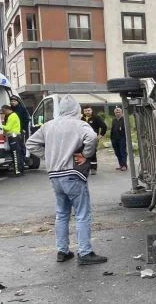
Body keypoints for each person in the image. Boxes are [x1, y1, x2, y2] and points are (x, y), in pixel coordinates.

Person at [26, 95, 108, 265]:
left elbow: (30, 143)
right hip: (72, 174)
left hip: (54, 176)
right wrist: (85, 156)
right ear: (76, 109)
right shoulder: (80, 124)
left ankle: (62, 251)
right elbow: (92, 138)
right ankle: (85, 253)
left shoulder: (48, 126)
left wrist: (47, 157)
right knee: (82, 214)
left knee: (62, 214)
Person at [81, 106, 107, 174]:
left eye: (88, 110)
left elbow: (104, 126)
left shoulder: (96, 118)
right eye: (86, 111)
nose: (87, 112)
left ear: (91, 111)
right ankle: (85, 167)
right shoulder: (81, 119)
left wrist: (100, 135)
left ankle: (93, 168)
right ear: (83, 112)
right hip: (83, 138)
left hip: (93, 139)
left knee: (92, 153)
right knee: (83, 153)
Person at [0, 104, 24, 176]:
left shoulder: (12, 116)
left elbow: (8, 128)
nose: (4, 113)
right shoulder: (13, 115)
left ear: (7, 109)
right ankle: (20, 170)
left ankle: (17, 172)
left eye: (4, 111)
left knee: (15, 154)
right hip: (16, 136)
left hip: (14, 137)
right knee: (18, 154)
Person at [9, 95, 31, 166]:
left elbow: (26, 120)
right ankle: (17, 163)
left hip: (21, 130)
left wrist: (24, 129)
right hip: (13, 131)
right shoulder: (10, 110)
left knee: (21, 146)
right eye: (11, 101)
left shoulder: (22, 109)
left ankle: (23, 160)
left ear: (17, 102)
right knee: (16, 148)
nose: (12, 102)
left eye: (14, 101)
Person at [109, 107, 128, 171]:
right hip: (114, 139)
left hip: (122, 138)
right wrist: (111, 138)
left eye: (119, 112)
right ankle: (121, 165)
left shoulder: (124, 120)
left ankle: (124, 165)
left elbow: (127, 130)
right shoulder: (114, 120)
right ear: (114, 113)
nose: (117, 113)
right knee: (117, 152)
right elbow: (112, 129)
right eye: (116, 112)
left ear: (121, 112)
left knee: (122, 152)